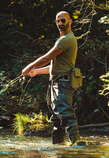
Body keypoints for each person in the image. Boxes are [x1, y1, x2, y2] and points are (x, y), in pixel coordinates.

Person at [22, 11, 79, 145]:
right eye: (58, 21)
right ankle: (58, 146)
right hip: (56, 83)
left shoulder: (67, 39)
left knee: (65, 114)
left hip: (62, 84)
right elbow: (52, 67)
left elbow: (47, 58)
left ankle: (77, 146)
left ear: (70, 21)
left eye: (63, 20)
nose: (60, 23)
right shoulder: (62, 40)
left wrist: (29, 66)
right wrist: (35, 71)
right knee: (56, 119)